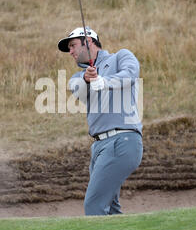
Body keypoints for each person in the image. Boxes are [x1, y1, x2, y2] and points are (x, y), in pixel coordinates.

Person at [58, 27, 143, 216]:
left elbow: (130, 74)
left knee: (94, 206)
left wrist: (104, 81)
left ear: (89, 42)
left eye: (73, 46)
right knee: (111, 209)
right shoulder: (79, 77)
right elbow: (77, 89)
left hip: (123, 141)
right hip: (99, 148)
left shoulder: (121, 56)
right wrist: (89, 79)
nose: (70, 52)